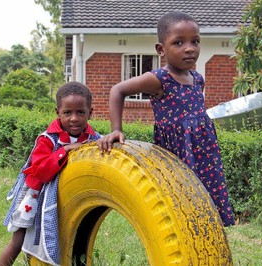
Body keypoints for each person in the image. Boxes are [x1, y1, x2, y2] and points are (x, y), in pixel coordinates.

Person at [97, 11, 235, 227]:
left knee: (207, 202)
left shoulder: (198, 79)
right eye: (178, 43)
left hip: (204, 152)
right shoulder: (159, 79)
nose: (189, 48)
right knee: (182, 203)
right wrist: (116, 129)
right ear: (161, 49)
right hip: (178, 153)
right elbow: (118, 90)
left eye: (195, 41)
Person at [0, 82, 102, 266]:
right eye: (67, 113)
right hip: (36, 196)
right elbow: (40, 170)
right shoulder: (47, 139)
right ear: (58, 112)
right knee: (19, 238)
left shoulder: (93, 139)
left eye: (81, 112)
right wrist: (66, 150)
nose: (74, 118)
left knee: (59, 235)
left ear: (90, 113)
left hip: (64, 198)